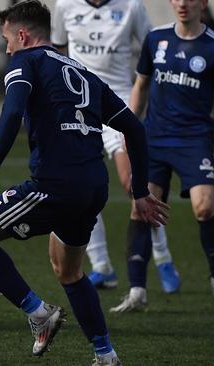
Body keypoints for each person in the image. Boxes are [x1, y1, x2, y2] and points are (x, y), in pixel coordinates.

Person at [0, 1, 168, 364]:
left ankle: (38, 313)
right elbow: (134, 127)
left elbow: (11, 115)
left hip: (55, 185)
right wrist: (140, 191)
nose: (6, 48)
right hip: (93, 186)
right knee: (68, 270)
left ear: (22, 35)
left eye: (7, 38)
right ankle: (105, 354)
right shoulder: (84, 71)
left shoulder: (26, 60)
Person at [111, 0, 214, 315]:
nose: (183, 3)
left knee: (204, 206)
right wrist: (129, 132)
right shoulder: (156, 39)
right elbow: (140, 86)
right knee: (140, 209)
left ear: (203, 4)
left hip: (194, 141)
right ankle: (137, 292)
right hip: (153, 139)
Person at [51, 0, 181, 294]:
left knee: (132, 182)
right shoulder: (65, 6)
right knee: (80, 184)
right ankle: (102, 267)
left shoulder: (131, 6)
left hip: (117, 103)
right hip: (79, 106)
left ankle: (162, 257)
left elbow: (153, 51)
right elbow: (57, 52)